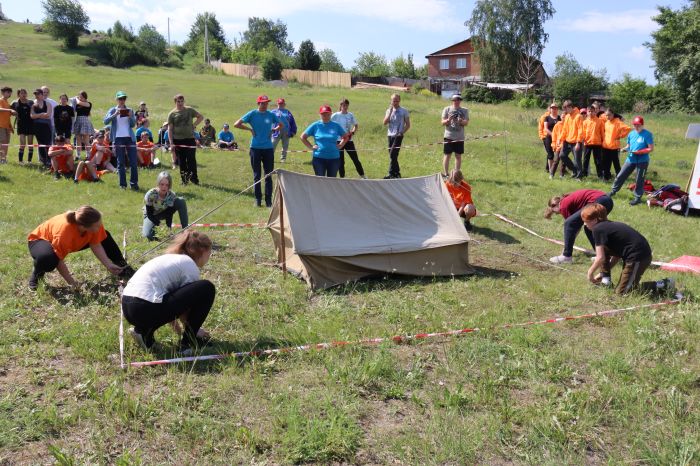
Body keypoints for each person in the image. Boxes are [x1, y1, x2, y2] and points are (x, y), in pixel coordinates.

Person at [121, 229, 215, 355]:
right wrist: (194, 330)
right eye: (210, 252)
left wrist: (177, 326)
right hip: (143, 306)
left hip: (128, 306)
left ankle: (143, 333)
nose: (210, 256)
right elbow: (187, 305)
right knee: (206, 288)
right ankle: (187, 344)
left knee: (157, 307)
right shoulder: (189, 265)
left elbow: (173, 299)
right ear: (203, 250)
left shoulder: (171, 259)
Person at [27, 206, 133, 290]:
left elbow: (96, 244)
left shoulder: (94, 222)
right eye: (96, 226)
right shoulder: (64, 231)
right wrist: (72, 283)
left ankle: (122, 266)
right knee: (48, 259)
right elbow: (59, 260)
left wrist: (108, 265)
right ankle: (37, 274)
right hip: (40, 240)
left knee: (105, 237)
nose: (99, 227)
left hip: (74, 240)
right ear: (83, 226)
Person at [583, 203, 675, 295]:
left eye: (586, 221)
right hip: (635, 255)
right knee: (604, 249)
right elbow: (617, 255)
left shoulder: (598, 229)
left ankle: (664, 284)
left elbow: (600, 258)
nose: (584, 224)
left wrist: (590, 273)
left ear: (595, 220)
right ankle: (606, 280)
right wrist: (603, 273)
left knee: (623, 293)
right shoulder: (606, 227)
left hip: (638, 257)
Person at [234, 95, 281, 207]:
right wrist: (249, 129)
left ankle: (268, 201)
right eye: (262, 103)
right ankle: (257, 200)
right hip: (255, 148)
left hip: (268, 149)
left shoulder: (271, 114)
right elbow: (236, 124)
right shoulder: (252, 114)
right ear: (258, 103)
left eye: (266, 103)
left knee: (268, 175)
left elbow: (281, 124)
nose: (265, 105)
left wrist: (274, 129)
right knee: (257, 175)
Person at [545, 189, 614, 264]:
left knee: (569, 223)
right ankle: (603, 255)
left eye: (554, 212)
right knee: (589, 227)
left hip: (599, 201)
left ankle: (566, 256)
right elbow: (575, 227)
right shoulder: (569, 201)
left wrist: (566, 248)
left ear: (554, 205)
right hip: (607, 200)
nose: (557, 213)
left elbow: (572, 227)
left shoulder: (563, 205)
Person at [607, 116, 654, 206]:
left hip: (642, 160)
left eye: (638, 125)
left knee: (639, 179)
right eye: (635, 125)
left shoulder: (647, 134)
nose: (636, 126)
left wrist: (640, 152)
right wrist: (624, 149)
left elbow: (650, 148)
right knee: (621, 175)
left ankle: (637, 197)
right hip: (631, 158)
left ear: (642, 125)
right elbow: (628, 146)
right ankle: (613, 191)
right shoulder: (631, 134)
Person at [301, 105, 350, 177]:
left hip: (334, 159)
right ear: (320, 114)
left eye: (327, 114)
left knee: (331, 181)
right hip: (319, 159)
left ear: (331, 114)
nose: (325, 116)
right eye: (323, 114)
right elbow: (303, 137)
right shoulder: (315, 125)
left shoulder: (336, 125)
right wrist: (311, 147)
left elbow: (346, 137)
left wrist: (340, 145)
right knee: (320, 181)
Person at [104, 90, 139, 190]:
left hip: (130, 138)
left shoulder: (130, 110)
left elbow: (133, 124)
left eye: (123, 98)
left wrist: (130, 117)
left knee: (133, 162)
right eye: (120, 98)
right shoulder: (112, 110)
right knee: (121, 162)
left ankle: (134, 184)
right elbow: (105, 121)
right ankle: (122, 185)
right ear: (116, 99)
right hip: (118, 139)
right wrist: (115, 114)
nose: (122, 100)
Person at [141, 171, 188, 241]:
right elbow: (150, 214)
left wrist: (168, 228)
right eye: (162, 184)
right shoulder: (151, 194)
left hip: (163, 212)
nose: (164, 187)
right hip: (151, 215)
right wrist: (159, 224)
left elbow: (169, 214)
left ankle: (186, 232)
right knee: (147, 235)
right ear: (158, 184)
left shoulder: (171, 195)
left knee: (181, 201)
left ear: (169, 185)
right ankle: (159, 235)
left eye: (167, 185)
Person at [167, 94, 203, 185]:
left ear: (184, 101)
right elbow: (170, 129)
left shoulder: (189, 110)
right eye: (178, 101)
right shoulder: (172, 114)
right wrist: (171, 143)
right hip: (178, 140)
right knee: (182, 161)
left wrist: (194, 125)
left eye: (182, 101)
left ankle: (194, 179)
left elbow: (200, 117)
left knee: (191, 160)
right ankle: (184, 180)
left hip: (190, 139)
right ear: (175, 102)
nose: (180, 103)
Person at [332, 98, 366, 179]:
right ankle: (342, 178)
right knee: (341, 161)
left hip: (349, 141)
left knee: (355, 159)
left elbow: (356, 125)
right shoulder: (336, 115)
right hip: (338, 141)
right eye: (343, 105)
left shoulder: (350, 115)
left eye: (346, 105)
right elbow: (328, 122)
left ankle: (363, 176)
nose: (345, 107)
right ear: (340, 106)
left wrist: (352, 133)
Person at [440, 94, 469, 177]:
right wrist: (448, 120)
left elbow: (466, 123)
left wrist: (461, 121)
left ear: (460, 101)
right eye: (455, 100)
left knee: (458, 155)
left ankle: (456, 175)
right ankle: (446, 174)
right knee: (447, 155)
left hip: (459, 137)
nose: (456, 101)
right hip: (449, 136)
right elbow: (442, 122)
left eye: (458, 100)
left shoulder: (465, 110)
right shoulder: (447, 109)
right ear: (452, 101)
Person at [382, 93, 410, 179]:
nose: (395, 102)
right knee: (392, 155)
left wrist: (402, 132)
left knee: (392, 154)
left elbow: (408, 125)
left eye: (397, 100)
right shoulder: (388, 110)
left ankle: (391, 173)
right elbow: (384, 123)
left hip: (398, 135)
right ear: (391, 101)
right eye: (394, 101)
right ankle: (396, 173)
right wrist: (390, 112)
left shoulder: (404, 111)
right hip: (390, 134)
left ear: (399, 101)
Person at [601, 107, 631, 181]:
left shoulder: (617, 122)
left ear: (613, 114)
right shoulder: (606, 122)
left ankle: (620, 178)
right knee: (606, 163)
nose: (608, 117)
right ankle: (606, 177)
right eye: (606, 115)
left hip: (614, 147)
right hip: (605, 146)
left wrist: (621, 135)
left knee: (616, 163)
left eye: (609, 115)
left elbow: (628, 128)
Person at [559, 100, 582, 178]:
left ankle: (579, 177)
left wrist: (578, 142)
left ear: (570, 107)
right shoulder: (567, 116)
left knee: (577, 160)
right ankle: (574, 170)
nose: (565, 111)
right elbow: (565, 129)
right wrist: (560, 138)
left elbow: (580, 130)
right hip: (567, 141)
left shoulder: (578, 116)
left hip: (576, 142)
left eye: (566, 109)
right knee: (562, 155)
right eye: (564, 109)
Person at [30, 88, 53, 168]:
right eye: (35, 94)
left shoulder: (48, 104)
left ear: (42, 95)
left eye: (38, 94)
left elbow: (48, 115)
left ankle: (49, 160)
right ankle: (43, 160)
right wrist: (41, 114)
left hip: (46, 126)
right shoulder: (33, 105)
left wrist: (38, 115)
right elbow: (32, 116)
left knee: (47, 143)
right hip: (37, 127)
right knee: (40, 144)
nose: (36, 96)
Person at [581, 103, 605, 179]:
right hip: (587, 143)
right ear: (587, 112)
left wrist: (603, 142)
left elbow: (602, 133)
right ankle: (584, 174)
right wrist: (583, 140)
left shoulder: (599, 121)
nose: (591, 113)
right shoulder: (584, 122)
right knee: (585, 160)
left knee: (598, 161)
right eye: (589, 111)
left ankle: (600, 175)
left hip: (597, 143)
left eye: (592, 111)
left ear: (595, 112)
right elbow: (583, 132)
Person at [271, 98, 297, 162]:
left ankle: (283, 159)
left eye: (282, 103)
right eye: (279, 103)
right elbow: (268, 121)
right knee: (272, 145)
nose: (281, 104)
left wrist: (293, 131)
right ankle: (270, 158)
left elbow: (292, 122)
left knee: (285, 146)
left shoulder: (287, 112)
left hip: (286, 132)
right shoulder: (273, 112)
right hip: (276, 131)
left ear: (284, 104)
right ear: (277, 103)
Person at [11, 88, 34, 163]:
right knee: (22, 144)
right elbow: (10, 111)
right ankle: (20, 161)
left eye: (25, 93)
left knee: (30, 143)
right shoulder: (15, 103)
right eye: (21, 93)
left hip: (30, 125)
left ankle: (29, 161)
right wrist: (12, 111)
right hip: (21, 125)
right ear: (18, 95)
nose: (23, 94)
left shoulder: (31, 102)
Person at [72, 91, 94, 160]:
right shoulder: (78, 105)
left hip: (85, 121)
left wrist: (76, 99)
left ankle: (88, 155)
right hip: (78, 121)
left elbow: (79, 102)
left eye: (81, 97)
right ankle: (78, 155)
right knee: (78, 139)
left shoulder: (88, 104)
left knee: (86, 139)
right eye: (79, 97)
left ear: (85, 97)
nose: (80, 98)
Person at [540, 103, 560, 174]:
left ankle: (558, 170)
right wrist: (553, 134)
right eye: (552, 108)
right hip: (548, 137)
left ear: (557, 109)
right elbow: (545, 128)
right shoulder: (547, 118)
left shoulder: (559, 118)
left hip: (558, 139)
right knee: (550, 154)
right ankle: (551, 170)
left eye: (555, 108)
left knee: (558, 154)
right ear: (550, 109)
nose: (554, 110)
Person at [0, 86, 16, 164]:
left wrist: (12, 113)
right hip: (1, 126)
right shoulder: (1, 100)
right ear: (2, 93)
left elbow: (7, 114)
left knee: (6, 143)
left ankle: (4, 159)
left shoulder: (7, 102)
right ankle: (1, 159)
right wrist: (10, 110)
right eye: (7, 92)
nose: (9, 94)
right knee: (2, 143)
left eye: (10, 92)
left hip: (7, 126)